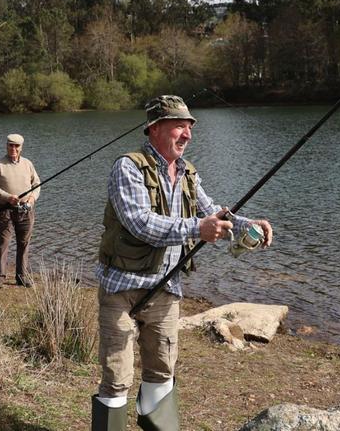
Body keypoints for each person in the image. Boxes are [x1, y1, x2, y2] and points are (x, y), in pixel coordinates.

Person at [91, 95, 273, 430]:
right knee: (117, 380)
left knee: (161, 375)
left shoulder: (188, 173)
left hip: (166, 291)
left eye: (189, 128)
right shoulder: (127, 168)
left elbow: (212, 213)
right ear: (155, 129)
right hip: (122, 291)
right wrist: (197, 229)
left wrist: (249, 226)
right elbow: (140, 223)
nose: (187, 135)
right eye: (179, 127)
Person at [0, 133, 41, 288]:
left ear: (21, 147)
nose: (13, 148)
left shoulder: (28, 164)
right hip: (6, 210)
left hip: (26, 211)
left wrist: (32, 199)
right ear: (7, 146)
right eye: (10, 145)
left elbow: (37, 184)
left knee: (24, 244)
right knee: (3, 243)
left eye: (16, 146)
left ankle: (21, 277)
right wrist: (8, 197)